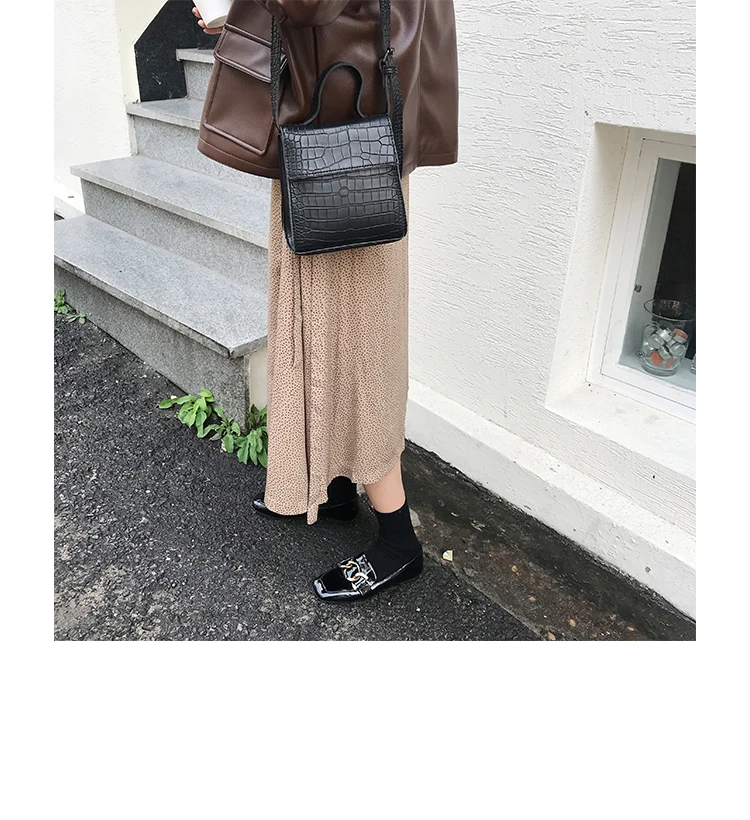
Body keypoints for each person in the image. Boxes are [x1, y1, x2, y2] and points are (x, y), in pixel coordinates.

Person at [193, 0, 458, 601]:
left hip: (345, 137)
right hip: (346, 123)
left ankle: (399, 542)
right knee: (319, 321)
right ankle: (334, 485)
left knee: (360, 344)